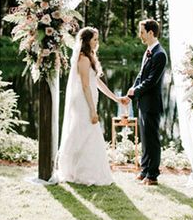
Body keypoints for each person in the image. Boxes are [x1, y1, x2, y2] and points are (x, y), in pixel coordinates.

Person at [52, 27, 122, 185]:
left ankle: (82, 170)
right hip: (83, 102)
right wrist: (92, 110)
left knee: (86, 133)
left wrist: (115, 98)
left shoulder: (90, 57)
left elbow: (96, 82)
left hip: (89, 100)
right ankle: (79, 172)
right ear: (87, 41)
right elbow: (85, 85)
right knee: (85, 132)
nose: (97, 42)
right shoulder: (83, 59)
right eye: (95, 39)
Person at [122, 18, 167, 186]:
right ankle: (145, 170)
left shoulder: (160, 54)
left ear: (150, 32)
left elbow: (151, 80)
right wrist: (130, 94)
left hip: (152, 104)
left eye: (141, 32)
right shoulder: (148, 51)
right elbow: (141, 76)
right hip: (143, 102)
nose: (139, 35)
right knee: (145, 139)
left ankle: (153, 175)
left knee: (152, 139)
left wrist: (136, 90)